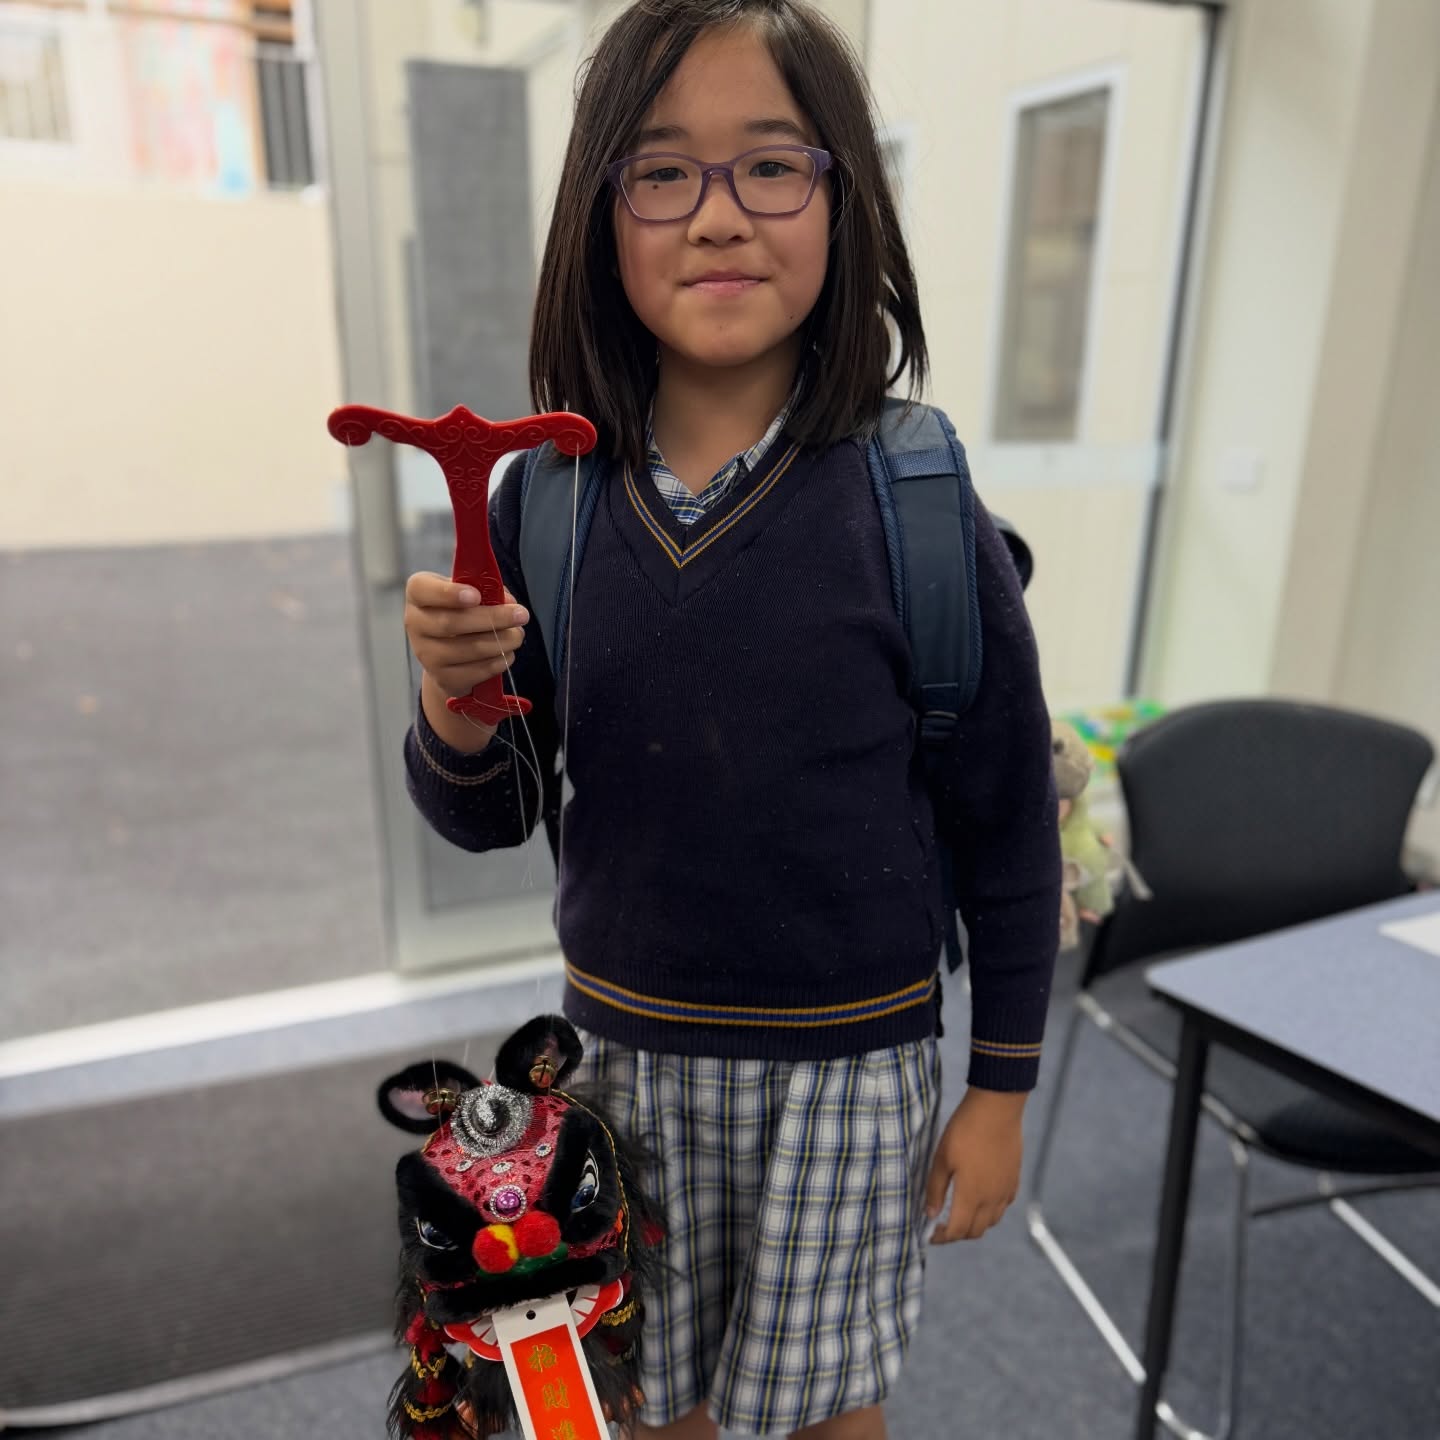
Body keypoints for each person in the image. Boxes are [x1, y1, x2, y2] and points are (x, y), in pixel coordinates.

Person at [401, 3, 1060, 1437]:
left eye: (772, 165)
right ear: (599, 213)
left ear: (845, 202)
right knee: (641, 1404)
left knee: (826, 1416)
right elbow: (488, 807)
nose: (718, 217)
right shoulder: (549, 502)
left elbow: (1010, 824)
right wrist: (457, 706)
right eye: (662, 173)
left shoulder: (916, 499)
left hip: (851, 1072)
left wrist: (1001, 1086)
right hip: (623, 1063)